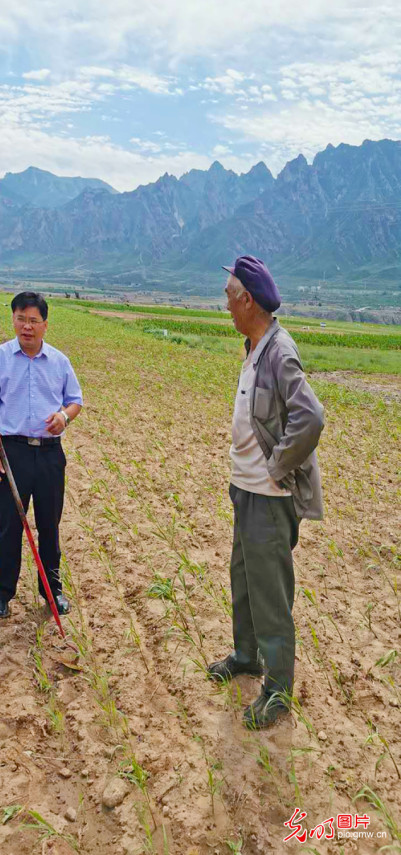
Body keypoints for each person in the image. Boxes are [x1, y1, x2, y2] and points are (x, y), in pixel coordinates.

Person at [207, 256, 324, 729]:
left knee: (270, 594)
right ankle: (246, 656)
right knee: (243, 580)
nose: (227, 308)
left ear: (248, 300)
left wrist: (276, 467)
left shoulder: (279, 351)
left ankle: (277, 692)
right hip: (246, 490)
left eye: (230, 299)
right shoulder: (253, 345)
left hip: (269, 497)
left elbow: (310, 417)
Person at [0, 291, 83, 618]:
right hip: (12, 453)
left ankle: (52, 591)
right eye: (21, 319)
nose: (26, 326)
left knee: (49, 525)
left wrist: (64, 417)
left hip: (50, 455)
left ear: (45, 325)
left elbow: (76, 400)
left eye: (33, 321)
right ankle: (2, 592)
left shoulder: (59, 361)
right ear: (13, 320)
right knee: (9, 523)